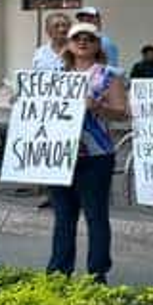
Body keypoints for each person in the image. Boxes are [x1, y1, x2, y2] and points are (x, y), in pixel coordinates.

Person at [48, 22, 128, 283]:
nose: (82, 42)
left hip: (96, 156)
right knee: (63, 217)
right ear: (68, 44)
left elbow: (120, 112)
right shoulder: (54, 76)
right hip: (60, 154)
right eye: (76, 38)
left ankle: (97, 273)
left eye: (89, 38)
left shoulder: (108, 75)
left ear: (98, 45)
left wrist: (96, 108)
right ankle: (59, 273)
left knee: (96, 216)